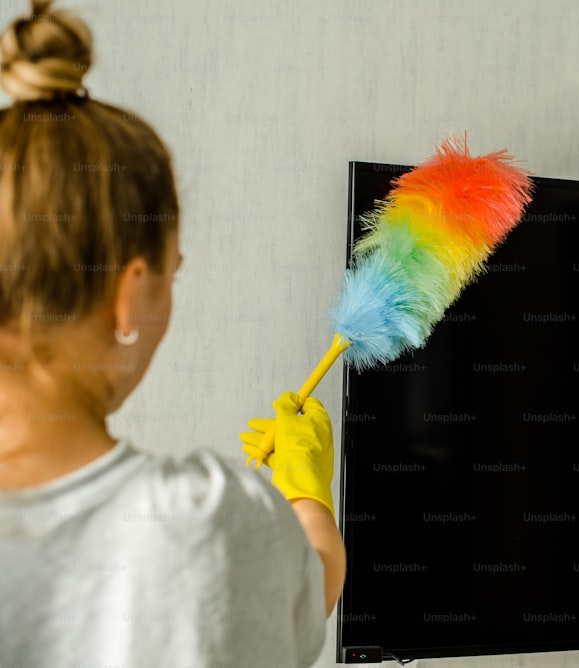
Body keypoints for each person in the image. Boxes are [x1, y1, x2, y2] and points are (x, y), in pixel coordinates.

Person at [0, 1, 346, 665]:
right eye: (172, 274)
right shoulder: (206, 523)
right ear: (129, 295)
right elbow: (307, 585)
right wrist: (306, 492)